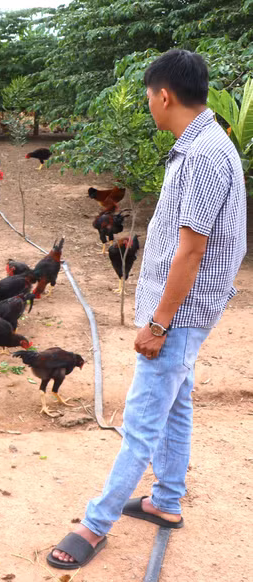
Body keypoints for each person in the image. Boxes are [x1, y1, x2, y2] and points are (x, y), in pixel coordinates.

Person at [48, 49, 247, 569]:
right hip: (183, 310)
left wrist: (159, 323)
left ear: (164, 95)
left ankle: (95, 525)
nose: (148, 107)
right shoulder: (201, 142)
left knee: (140, 422)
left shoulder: (203, 155)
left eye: (147, 98)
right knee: (176, 406)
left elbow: (192, 250)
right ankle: (165, 501)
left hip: (177, 314)